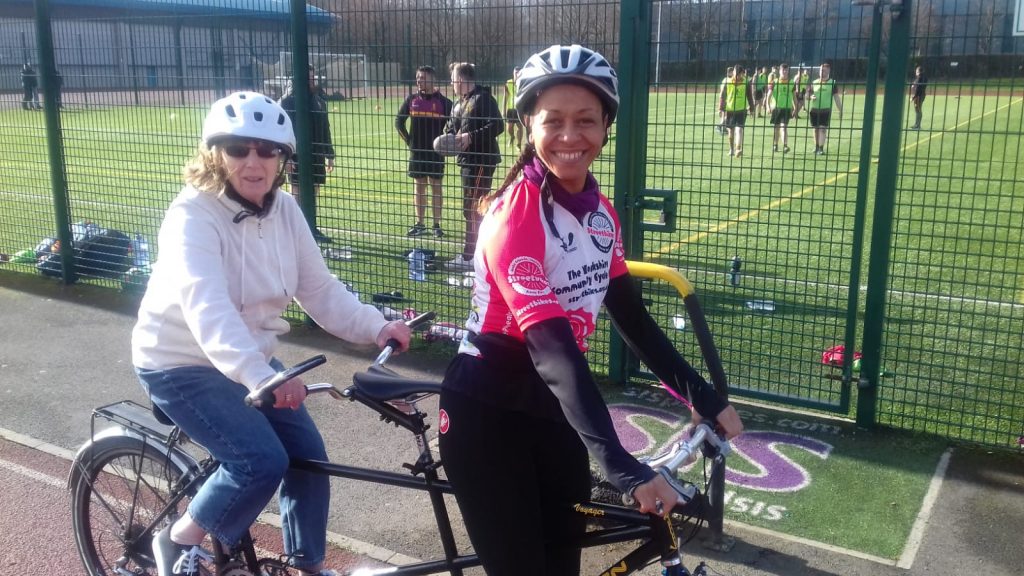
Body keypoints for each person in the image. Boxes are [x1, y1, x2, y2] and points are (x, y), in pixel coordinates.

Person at [437, 44, 743, 576]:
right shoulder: (517, 217)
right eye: (553, 121)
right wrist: (623, 468)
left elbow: (632, 318)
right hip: (488, 410)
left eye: (586, 120)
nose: (570, 137)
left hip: (553, 410)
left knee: (563, 568)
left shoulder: (600, 214)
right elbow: (553, 350)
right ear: (527, 125)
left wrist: (705, 397)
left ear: (606, 126)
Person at [131, 91, 412, 576]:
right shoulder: (192, 215)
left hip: (251, 360)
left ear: (283, 158)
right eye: (238, 148)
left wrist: (375, 324)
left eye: (268, 149)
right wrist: (262, 376)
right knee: (259, 460)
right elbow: (207, 310)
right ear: (215, 152)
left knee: (308, 458)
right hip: (180, 362)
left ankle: (307, 566)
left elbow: (319, 289)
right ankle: (179, 541)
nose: (254, 161)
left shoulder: (284, 210)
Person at [442, 61, 503, 271]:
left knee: (474, 209)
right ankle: (477, 254)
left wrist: (472, 136)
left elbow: (497, 125)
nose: (451, 83)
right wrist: (447, 139)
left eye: (453, 80)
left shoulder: (483, 99)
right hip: (467, 162)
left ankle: (471, 258)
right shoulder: (458, 103)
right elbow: (450, 127)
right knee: (470, 209)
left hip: (481, 161)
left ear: (460, 79)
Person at [395, 65, 453, 237]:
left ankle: (436, 225)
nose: (419, 81)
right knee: (419, 187)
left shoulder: (444, 103)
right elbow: (399, 122)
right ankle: (420, 224)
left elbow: (454, 126)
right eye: (418, 78)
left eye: (423, 78)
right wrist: (410, 142)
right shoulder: (411, 100)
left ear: (432, 80)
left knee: (436, 187)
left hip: (436, 154)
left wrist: (446, 144)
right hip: (417, 153)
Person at [280, 65, 335, 243]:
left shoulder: (318, 100)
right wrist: (285, 156)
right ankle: (294, 229)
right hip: (296, 154)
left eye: (313, 77)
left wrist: (330, 154)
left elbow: (325, 128)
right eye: (308, 77)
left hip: (316, 153)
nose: (312, 81)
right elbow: (282, 132)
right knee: (297, 191)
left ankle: (310, 227)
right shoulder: (287, 102)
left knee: (314, 190)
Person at [718, 65, 755, 157]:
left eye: (740, 74)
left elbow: (749, 96)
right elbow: (722, 95)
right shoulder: (727, 82)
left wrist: (752, 108)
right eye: (736, 73)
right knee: (730, 132)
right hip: (730, 110)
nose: (738, 76)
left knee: (739, 129)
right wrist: (720, 108)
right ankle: (731, 149)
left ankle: (738, 148)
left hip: (741, 110)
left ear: (743, 73)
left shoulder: (746, 82)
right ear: (734, 72)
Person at [807, 62, 843, 155]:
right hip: (814, 109)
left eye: (824, 70)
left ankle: (821, 148)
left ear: (828, 71)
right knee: (815, 129)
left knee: (822, 129)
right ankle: (816, 147)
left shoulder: (832, 83)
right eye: (820, 70)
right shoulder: (814, 82)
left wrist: (840, 109)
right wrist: (811, 97)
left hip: (826, 110)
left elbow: (836, 97)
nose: (822, 72)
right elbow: (807, 95)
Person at [766, 63, 794, 153]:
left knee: (784, 127)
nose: (785, 72)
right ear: (780, 71)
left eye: (786, 70)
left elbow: (794, 96)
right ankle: (775, 145)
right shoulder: (774, 82)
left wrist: (796, 108)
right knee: (776, 128)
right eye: (783, 70)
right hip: (776, 108)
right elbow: (769, 95)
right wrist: (767, 106)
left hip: (786, 108)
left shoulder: (791, 82)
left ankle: (785, 146)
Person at [502, 66, 524, 150]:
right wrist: (503, 109)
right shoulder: (509, 83)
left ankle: (518, 144)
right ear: (513, 73)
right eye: (516, 73)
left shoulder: (523, 83)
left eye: (519, 73)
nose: (517, 74)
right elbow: (505, 97)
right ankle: (512, 136)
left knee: (519, 127)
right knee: (509, 128)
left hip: (519, 109)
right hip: (511, 109)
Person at [910, 65, 927, 130]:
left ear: (919, 72)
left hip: (918, 96)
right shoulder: (922, 78)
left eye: (917, 71)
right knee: (917, 110)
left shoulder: (920, 78)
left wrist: (913, 97)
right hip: (920, 95)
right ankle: (916, 124)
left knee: (918, 110)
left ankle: (917, 125)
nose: (915, 72)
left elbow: (918, 88)